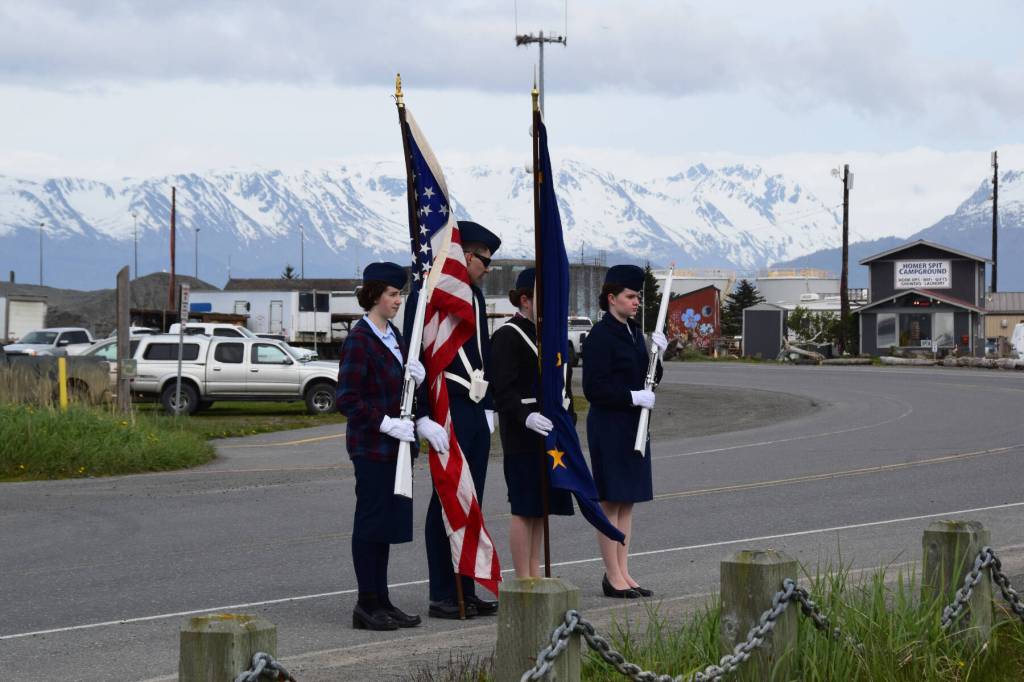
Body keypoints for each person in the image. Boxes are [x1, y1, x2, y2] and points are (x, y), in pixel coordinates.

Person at [336, 262, 446, 631]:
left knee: (384, 525)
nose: (399, 301)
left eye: (400, 294)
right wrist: (386, 424)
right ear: (374, 296)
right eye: (393, 294)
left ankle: (381, 599)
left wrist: (417, 396)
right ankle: (366, 603)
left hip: (397, 448)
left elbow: (401, 394)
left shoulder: (395, 337)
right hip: (371, 447)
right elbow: (347, 399)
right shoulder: (360, 339)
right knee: (370, 523)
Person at [404, 220, 502, 619]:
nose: (486, 268)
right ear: (464, 254)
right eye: (483, 259)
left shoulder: (473, 297)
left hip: (475, 405)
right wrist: (422, 416)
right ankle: (442, 592)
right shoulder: (428, 293)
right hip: (445, 407)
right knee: (445, 497)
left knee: (471, 498)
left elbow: (482, 353)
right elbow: (417, 358)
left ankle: (466, 585)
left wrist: (490, 403)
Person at [581, 264, 667, 598]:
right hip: (611, 425)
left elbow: (650, 378)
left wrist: (659, 354)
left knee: (626, 502)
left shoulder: (633, 333)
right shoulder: (601, 336)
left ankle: (623, 570)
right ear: (611, 297)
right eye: (630, 296)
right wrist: (631, 396)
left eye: (638, 297)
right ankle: (611, 574)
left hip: (634, 424)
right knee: (609, 502)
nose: (636, 303)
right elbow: (594, 388)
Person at [488, 268, 575, 578]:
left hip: (551, 436)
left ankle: (535, 572)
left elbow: (565, 386)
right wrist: (526, 417)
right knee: (525, 508)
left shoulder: (552, 338)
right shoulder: (507, 336)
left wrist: (569, 421)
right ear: (525, 300)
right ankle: (523, 577)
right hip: (522, 435)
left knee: (541, 510)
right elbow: (502, 389)